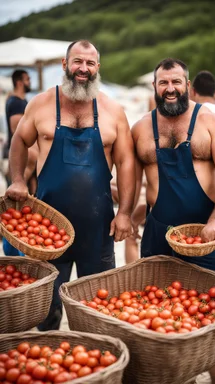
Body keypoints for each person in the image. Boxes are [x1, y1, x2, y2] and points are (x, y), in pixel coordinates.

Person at [5, 40, 135, 330]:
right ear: (65, 65)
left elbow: (127, 164)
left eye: (89, 63)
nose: (83, 69)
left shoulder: (113, 111)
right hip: (46, 231)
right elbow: (19, 141)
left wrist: (125, 212)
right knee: (45, 310)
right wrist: (16, 180)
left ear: (97, 68)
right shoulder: (40, 104)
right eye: (77, 62)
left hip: (98, 228)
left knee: (98, 309)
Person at [132, 58, 215, 384]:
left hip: (206, 235)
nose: (170, 89)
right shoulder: (140, 128)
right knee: (159, 320)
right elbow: (133, 178)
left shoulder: (209, 121)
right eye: (163, 83)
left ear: (188, 85)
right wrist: (131, 211)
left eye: (176, 82)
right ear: (154, 87)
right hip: (157, 236)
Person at [3, 69, 38, 256]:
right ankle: (14, 252)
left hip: (28, 161)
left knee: (27, 207)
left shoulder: (19, 101)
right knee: (17, 207)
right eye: (27, 79)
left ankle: (21, 249)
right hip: (24, 161)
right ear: (19, 82)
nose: (29, 82)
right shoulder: (16, 103)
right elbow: (19, 132)